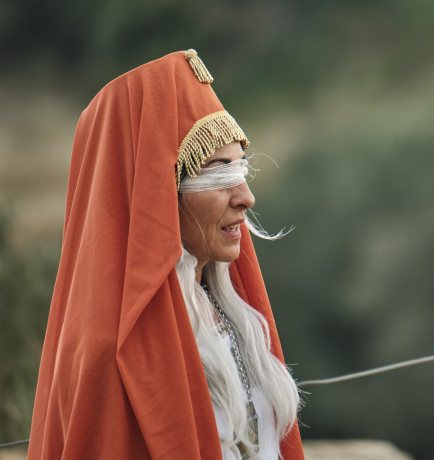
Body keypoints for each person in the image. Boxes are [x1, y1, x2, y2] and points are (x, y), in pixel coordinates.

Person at [28, 50, 303, 459]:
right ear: (152, 197)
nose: (246, 197)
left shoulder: (234, 313)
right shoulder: (110, 355)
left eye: (241, 169)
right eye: (218, 172)